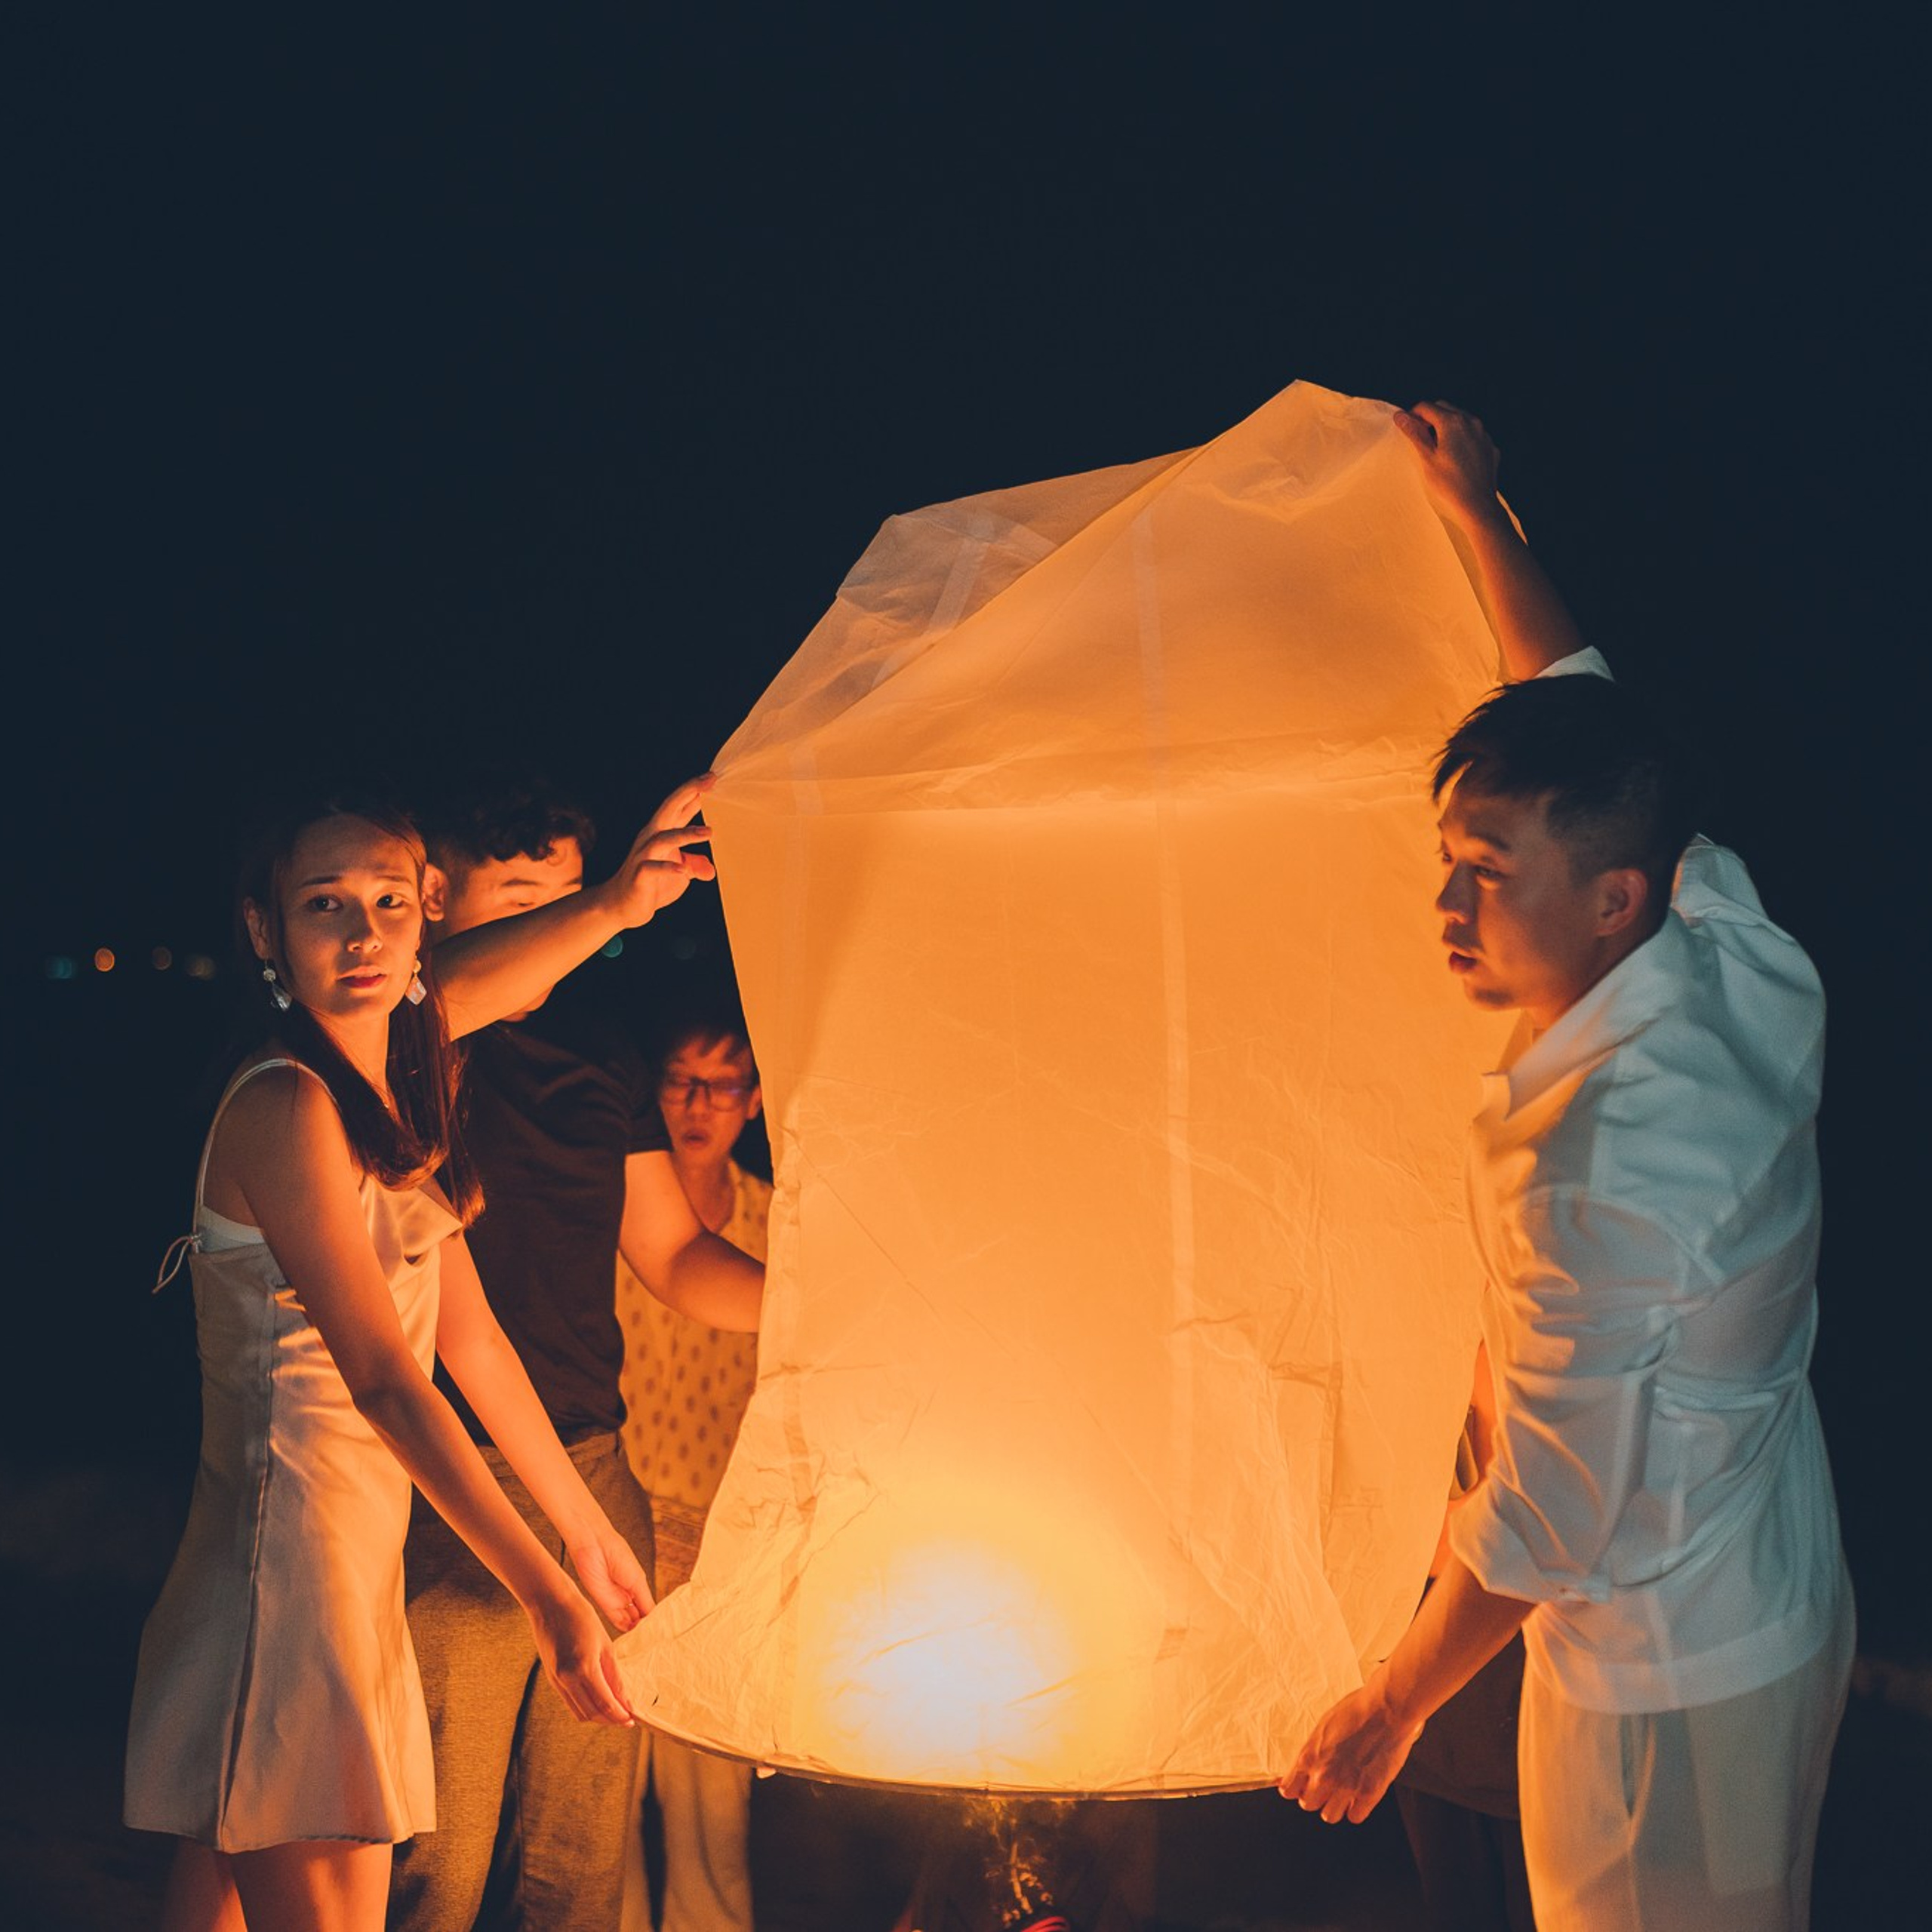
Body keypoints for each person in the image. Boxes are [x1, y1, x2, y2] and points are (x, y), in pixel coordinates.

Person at [1279, 404, 1853, 1932]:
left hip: (1669, 1666)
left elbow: (1550, 1513)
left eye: (1486, 873)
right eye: (1448, 860)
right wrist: (1471, 507)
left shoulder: (1595, 1157)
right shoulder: (1722, 936)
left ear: (1605, 897)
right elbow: (1575, 699)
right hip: (1778, 1567)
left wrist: (1389, 1705)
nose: (1446, 905)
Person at [125, 783, 714, 1932]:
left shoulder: (392, 1093)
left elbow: (472, 1338)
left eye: (389, 902)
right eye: (323, 905)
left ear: (426, 912)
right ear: (266, 931)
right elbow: (391, 1380)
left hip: (344, 1583)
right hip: (278, 1589)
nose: (361, 934)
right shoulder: (287, 1105)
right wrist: (545, 1597)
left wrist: (585, 1536)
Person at [386, 783, 764, 1932]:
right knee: (436, 1868)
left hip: (597, 1465)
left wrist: (834, 1305)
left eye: (567, 899)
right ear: (440, 905)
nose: (558, 933)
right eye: (523, 903)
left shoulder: (599, 1052)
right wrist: (611, 902)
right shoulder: (405, 1039)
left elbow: (676, 1253)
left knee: (579, 1863)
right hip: (445, 1478)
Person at [615, 1003, 769, 1932]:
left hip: (719, 1559)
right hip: (614, 1536)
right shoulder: (616, 1214)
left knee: (714, 1813)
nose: (697, 1102)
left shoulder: (775, 1227)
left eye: (721, 1083)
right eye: (680, 1079)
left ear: (751, 1101)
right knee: (600, 1807)